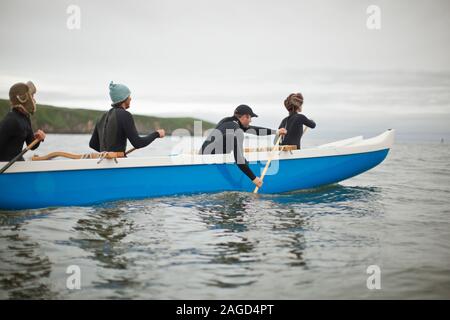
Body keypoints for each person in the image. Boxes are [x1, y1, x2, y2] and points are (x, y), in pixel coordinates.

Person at [200, 104, 287, 188]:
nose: (250, 121)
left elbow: (255, 130)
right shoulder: (237, 130)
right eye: (250, 118)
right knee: (242, 158)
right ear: (245, 116)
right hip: (210, 162)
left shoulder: (227, 121)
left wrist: (276, 132)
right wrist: (254, 178)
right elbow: (239, 160)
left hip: (203, 156)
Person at [89, 81, 165, 153]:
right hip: (117, 163)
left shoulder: (102, 117)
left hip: (104, 163)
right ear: (124, 98)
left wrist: (107, 154)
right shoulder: (125, 115)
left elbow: (93, 144)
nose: (130, 98)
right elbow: (138, 143)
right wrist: (156, 134)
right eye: (128, 96)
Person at [0, 81, 46, 162]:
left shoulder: (25, 118)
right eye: (32, 96)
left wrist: (37, 139)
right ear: (23, 98)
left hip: (17, 165)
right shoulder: (11, 120)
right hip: (6, 168)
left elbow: (31, 146)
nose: (34, 100)